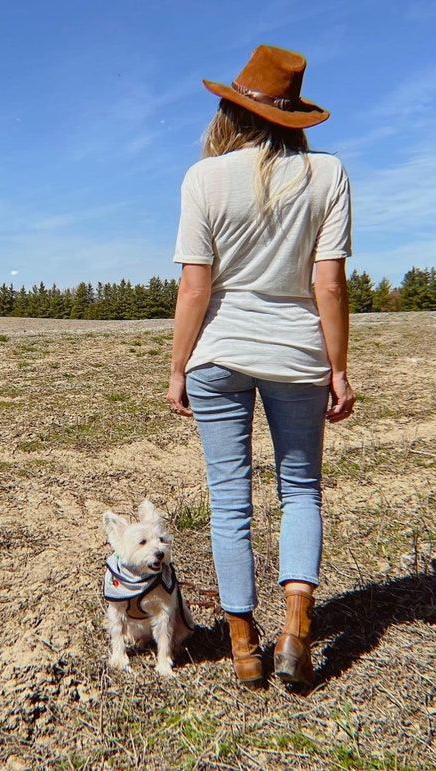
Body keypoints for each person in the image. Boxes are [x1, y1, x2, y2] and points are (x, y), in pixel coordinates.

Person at [166, 44, 355, 687]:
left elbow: (196, 288)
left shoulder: (203, 179)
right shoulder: (327, 175)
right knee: (300, 490)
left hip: (219, 353)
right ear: (293, 115)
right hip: (298, 352)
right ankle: (297, 628)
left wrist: (177, 367)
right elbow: (328, 284)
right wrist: (338, 366)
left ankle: (245, 646)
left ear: (232, 110)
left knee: (229, 500)